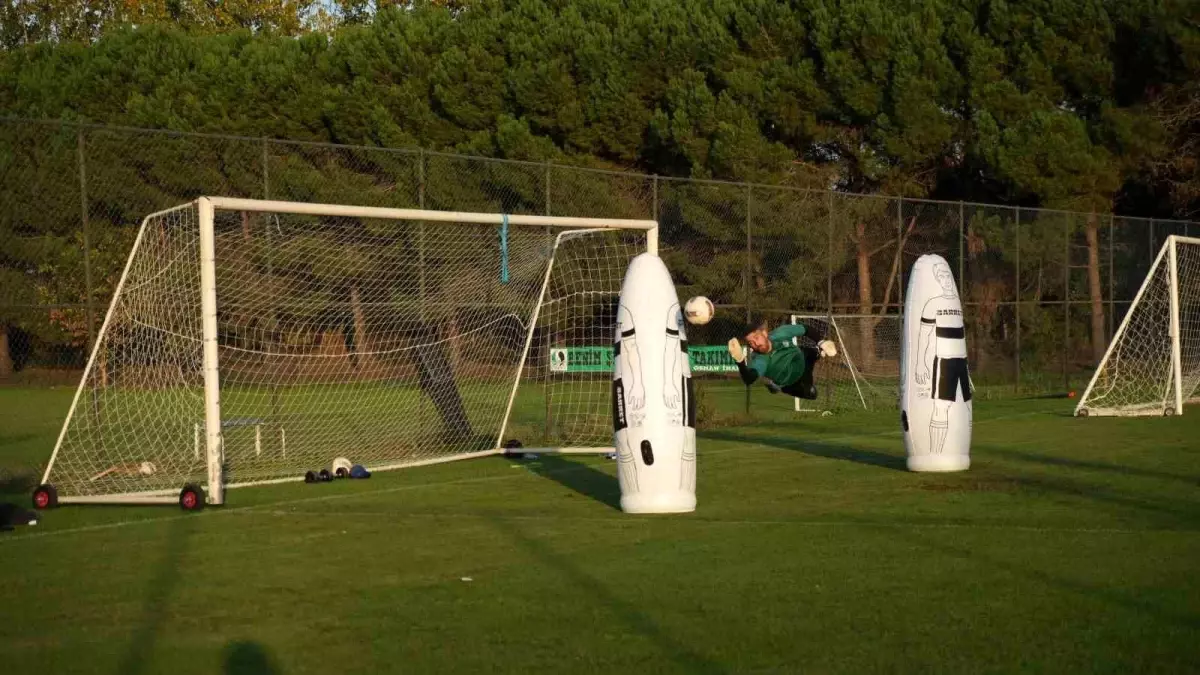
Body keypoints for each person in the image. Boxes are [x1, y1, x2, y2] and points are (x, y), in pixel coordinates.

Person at [727, 319, 837, 399]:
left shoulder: (781, 333)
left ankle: (817, 351)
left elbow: (806, 329)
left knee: (810, 353)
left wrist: (821, 342)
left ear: (764, 333)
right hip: (790, 383)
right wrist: (740, 361)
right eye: (751, 342)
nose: (756, 343)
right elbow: (749, 378)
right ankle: (778, 387)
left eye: (756, 337)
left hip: (802, 360)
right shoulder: (760, 359)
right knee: (812, 394)